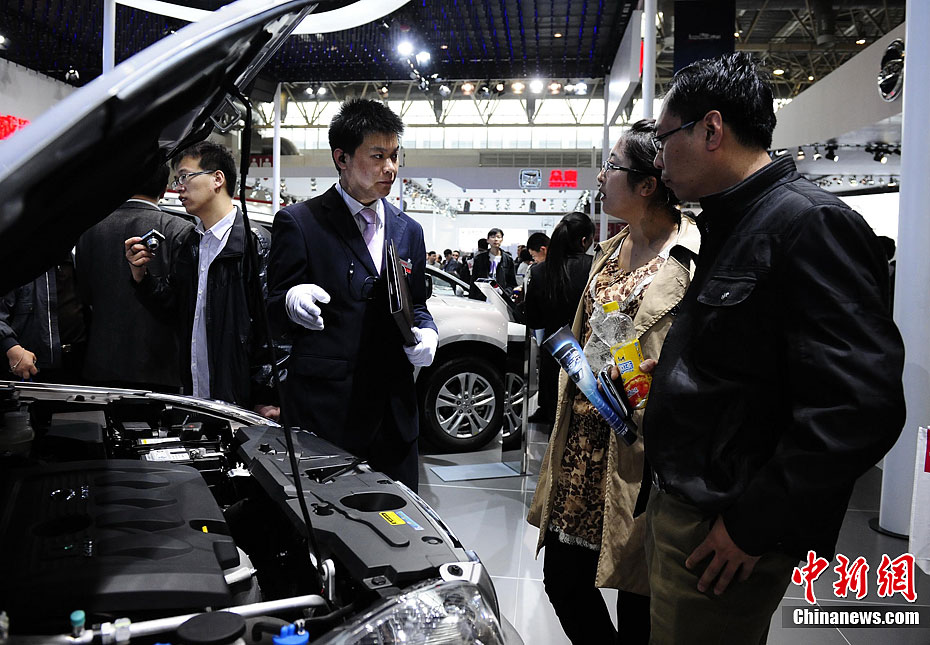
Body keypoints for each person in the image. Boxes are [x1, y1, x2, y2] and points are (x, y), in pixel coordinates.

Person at [642, 52, 905, 644]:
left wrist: (752, 525)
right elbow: (756, 356)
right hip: (690, 501)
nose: (659, 159)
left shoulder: (808, 225)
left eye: (665, 139)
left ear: (711, 129)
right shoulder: (731, 221)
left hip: (724, 525)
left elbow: (860, 405)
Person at [528, 120, 699, 645]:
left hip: (642, 455)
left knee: (639, 602)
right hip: (582, 446)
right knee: (562, 578)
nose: (602, 177)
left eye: (613, 167)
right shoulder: (610, 249)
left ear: (648, 184)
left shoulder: (692, 257)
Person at [266, 98, 437, 492]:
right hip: (326, 415)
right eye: (377, 156)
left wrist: (428, 333)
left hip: (394, 416)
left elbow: (418, 303)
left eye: (395, 156)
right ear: (341, 157)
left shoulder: (407, 230)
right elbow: (271, 312)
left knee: (399, 527)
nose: (390, 168)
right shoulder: (300, 223)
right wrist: (291, 299)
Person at [124, 141, 274, 412]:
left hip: (242, 399)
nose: (178, 186)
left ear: (217, 179)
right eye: (176, 179)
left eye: (185, 176)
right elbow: (174, 306)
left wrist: (267, 395)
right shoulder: (193, 243)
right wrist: (141, 275)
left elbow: (273, 329)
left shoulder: (255, 243)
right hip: (198, 392)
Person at [76, 163, 193, 391]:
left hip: (101, 364)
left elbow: (84, 294)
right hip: (161, 367)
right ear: (163, 190)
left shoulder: (90, 229)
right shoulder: (179, 230)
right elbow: (183, 303)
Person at [524, 214, 592, 426]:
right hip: (588, 353)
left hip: (553, 354)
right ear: (583, 241)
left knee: (553, 421)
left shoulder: (538, 271)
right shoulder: (595, 268)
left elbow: (533, 319)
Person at [1, 257, 88, 384]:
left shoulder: (79, 258)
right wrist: (11, 347)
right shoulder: (15, 262)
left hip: (78, 363)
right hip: (28, 366)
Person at [469, 228, 517, 299]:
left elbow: (512, 282)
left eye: (498, 237)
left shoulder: (508, 259)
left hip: (501, 298)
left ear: (502, 240)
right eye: (492, 237)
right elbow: (474, 280)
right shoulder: (479, 259)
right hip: (482, 296)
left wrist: (505, 294)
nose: (496, 239)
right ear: (488, 240)